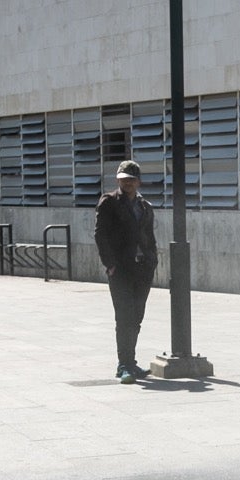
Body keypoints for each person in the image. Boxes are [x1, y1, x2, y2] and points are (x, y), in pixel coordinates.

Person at [94, 160, 159, 383]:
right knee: (124, 317)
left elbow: (149, 236)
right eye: (123, 180)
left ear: (138, 181)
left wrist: (153, 259)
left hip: (143, 267)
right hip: (120, 269)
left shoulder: (144, 206)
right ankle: (124, 365)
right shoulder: (109, 202)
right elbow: (100, 234)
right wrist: (109, 264)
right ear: (118, 181)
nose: (127, 183)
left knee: (137, 317)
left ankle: (131, 362)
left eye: (131, 179)